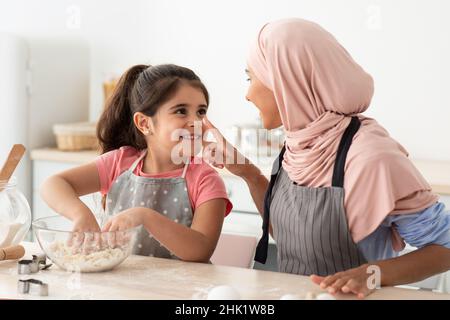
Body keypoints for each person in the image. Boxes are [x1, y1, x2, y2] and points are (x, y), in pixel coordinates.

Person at [202, 18, 450, 298]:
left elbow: (445, 248)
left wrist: (372, 275)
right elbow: (291, 237)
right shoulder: (297, 144)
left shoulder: (371, 157)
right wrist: (248, 173)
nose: (247, 94)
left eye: (252, 77)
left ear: (287, 81)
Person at [41, 64, 232, 262]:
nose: (196, 122)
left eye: (201, 112)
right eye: (181, 111)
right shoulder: (119, 163)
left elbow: (200, 250)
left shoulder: (206, 179)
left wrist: (145, 216)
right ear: (144, 123)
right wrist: (80, 214)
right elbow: (52, 184)